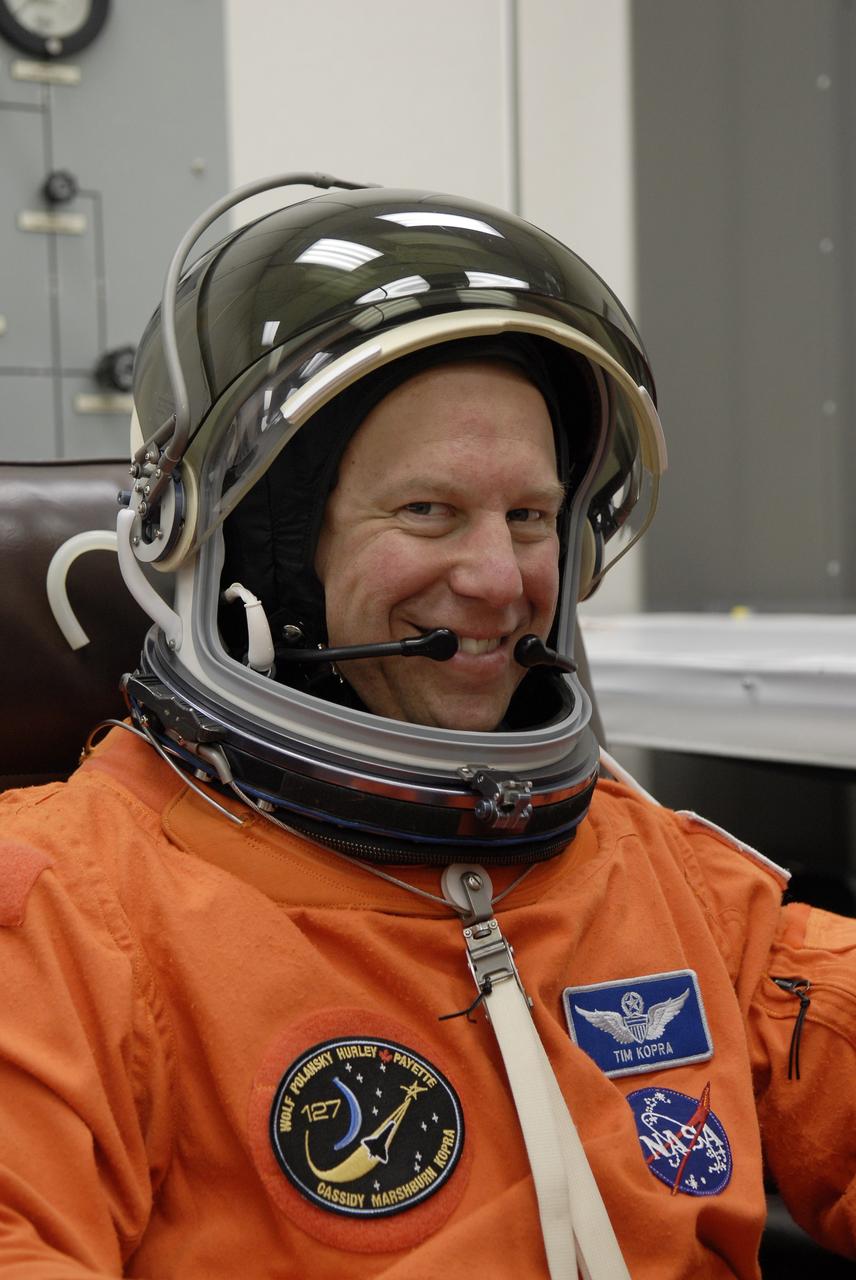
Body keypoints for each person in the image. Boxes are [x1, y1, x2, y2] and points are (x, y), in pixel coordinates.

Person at [1, 175, 854, 1280]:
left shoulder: (670, 881)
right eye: (427, 511)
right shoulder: (65, 915)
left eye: (531, 517)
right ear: (266, 547)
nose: (501, 580)